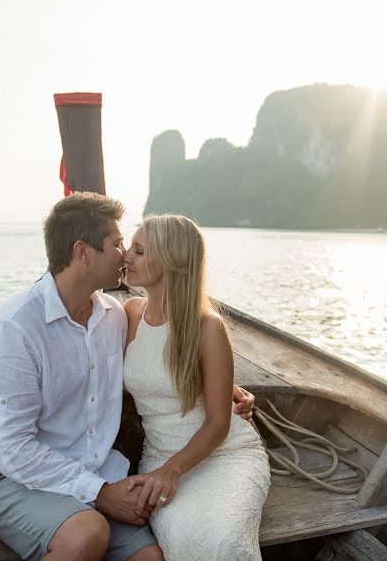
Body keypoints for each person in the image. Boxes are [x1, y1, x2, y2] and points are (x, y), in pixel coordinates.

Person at [0, 193, 255, 561]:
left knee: (151, 558)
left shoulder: (114, 317)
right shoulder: (15, 327)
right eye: (118, 244)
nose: (124, 255)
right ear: (83, 252)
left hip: (91, 470)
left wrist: (224, 388)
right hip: (8, 477)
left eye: (132, 247)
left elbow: (165, 358)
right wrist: (101, 493)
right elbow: (11, 449)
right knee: (88, 534)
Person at [122, 214, 271, 561]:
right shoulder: (129, 313)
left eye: (139, 251)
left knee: (226, 544)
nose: (126, 256)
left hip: (225, 456)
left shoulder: (208, 327)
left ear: (171, 261)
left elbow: (219, 423)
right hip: (159, 457)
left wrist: (170, 472)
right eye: (129, 246)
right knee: (182, 534)